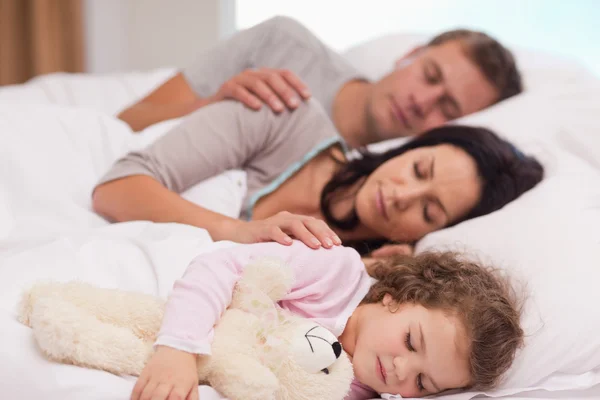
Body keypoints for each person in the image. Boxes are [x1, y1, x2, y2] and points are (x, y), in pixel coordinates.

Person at [93, 99, 543, 256]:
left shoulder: (357, 269)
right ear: (410, 147)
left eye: (429, 210)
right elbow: (116, 188)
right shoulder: (286, 116)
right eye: (418, 169)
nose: (402, 194)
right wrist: (238, 231)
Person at [130, 241, 524, 400]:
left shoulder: (356, 390)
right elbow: (222, 265)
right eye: (410, 341)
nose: (402, 371)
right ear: (398, 297)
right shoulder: (335, 274)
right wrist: (179, 349)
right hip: (189, 324)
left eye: (422, 383)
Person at [118, 16, 522, 148]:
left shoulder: (391, 189)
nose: (423, 101)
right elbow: (130, 119)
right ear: (408, 56)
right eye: (430, 75)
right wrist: (210, 107)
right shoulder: (281, 43)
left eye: (447, 108)